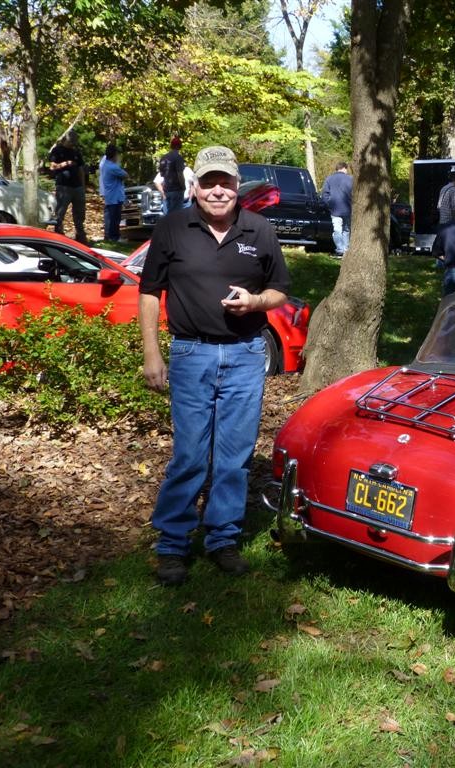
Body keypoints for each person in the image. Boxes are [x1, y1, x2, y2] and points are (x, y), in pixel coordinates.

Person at [138, 145, 291, 586]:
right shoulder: (172, 228)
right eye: (209, 183)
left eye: (225, 182)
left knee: (234, 456)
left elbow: (280, 290)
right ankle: (172, 545)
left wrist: (256, 301)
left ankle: (222, 538)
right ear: (195, 187)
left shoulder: (259, 229)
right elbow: (150, 292)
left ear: (237, 186)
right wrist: (152, 353)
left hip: (245, 354)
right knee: (189, 454)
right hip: (191, 354)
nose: (218, 190)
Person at [48, 130, 87, 243]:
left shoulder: (76, 152)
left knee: (79, 213)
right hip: (64, 186)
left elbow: (80, 169)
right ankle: (58, 234)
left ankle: (80, 236)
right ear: (66, 140)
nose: (72, 144)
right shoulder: (57, 151)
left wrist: (83, 186)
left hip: (77, 187)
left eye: (74, 142)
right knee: (60, 212)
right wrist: (66, 164)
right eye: (71, 142)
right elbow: (52, 167)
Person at [321, 161, 353, 256]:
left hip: (335, 209)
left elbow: (324, 194)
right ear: (344, 168)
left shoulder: (329, 179)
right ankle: (346, 249)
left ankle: (340, 249)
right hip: (348, 208)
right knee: (346, 230)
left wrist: (329, 204)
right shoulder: (351, 179)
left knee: (337, 230)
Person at [98, 143, 127, 242]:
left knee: (111, 218)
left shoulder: (105, 164)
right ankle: (114, 237)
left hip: (110, 195)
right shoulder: (113, 167)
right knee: (114, 218)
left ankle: (109, 236)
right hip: (114, 196)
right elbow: (125, 175)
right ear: (114, 155)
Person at [157, 136, 186, 216]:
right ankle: (174, 228)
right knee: (176, 215)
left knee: (168, 213)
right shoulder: (178, 157)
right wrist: (183, 187)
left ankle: (167, 227)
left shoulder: (163, 157)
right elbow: (180, 174)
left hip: (167, 190)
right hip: (177, 190)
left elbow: (161, 174)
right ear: (179, 146)